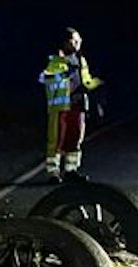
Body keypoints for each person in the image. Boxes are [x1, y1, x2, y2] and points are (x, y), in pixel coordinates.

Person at [38, 27, 101, 182]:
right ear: (66, 42)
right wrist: (66, 73)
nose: (78, 42)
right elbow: (44, 78)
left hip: (78, 104)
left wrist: (96, 85)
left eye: (79, 40)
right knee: (57, 139)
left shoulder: (81, 59)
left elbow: (86, 80)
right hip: (61, 106)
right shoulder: (54, 60)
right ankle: (53, 172)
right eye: (74, 40)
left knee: (75, 138)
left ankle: (71, 170)